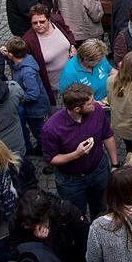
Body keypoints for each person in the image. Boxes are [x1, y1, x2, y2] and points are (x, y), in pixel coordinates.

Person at [41, 83, 117, 220]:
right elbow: (51, 159)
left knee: (101, 208)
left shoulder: (97, 110)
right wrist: (76, 154)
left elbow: (107, 135)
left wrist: (115, 164)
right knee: (76, 215)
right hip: (70, 181)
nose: (95, 104)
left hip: (98, 171)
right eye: (90, 103)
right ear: (77, 109)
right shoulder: (51, 128)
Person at [23, 4, 77, 106]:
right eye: (34, 23)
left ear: (49, 20)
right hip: (51, 84)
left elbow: (68, 32)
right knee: (53, 109)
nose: (38, 25)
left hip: (71, 76)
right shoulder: (28, 40)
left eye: (42, 21)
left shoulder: (57, 21)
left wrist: (72, 45)